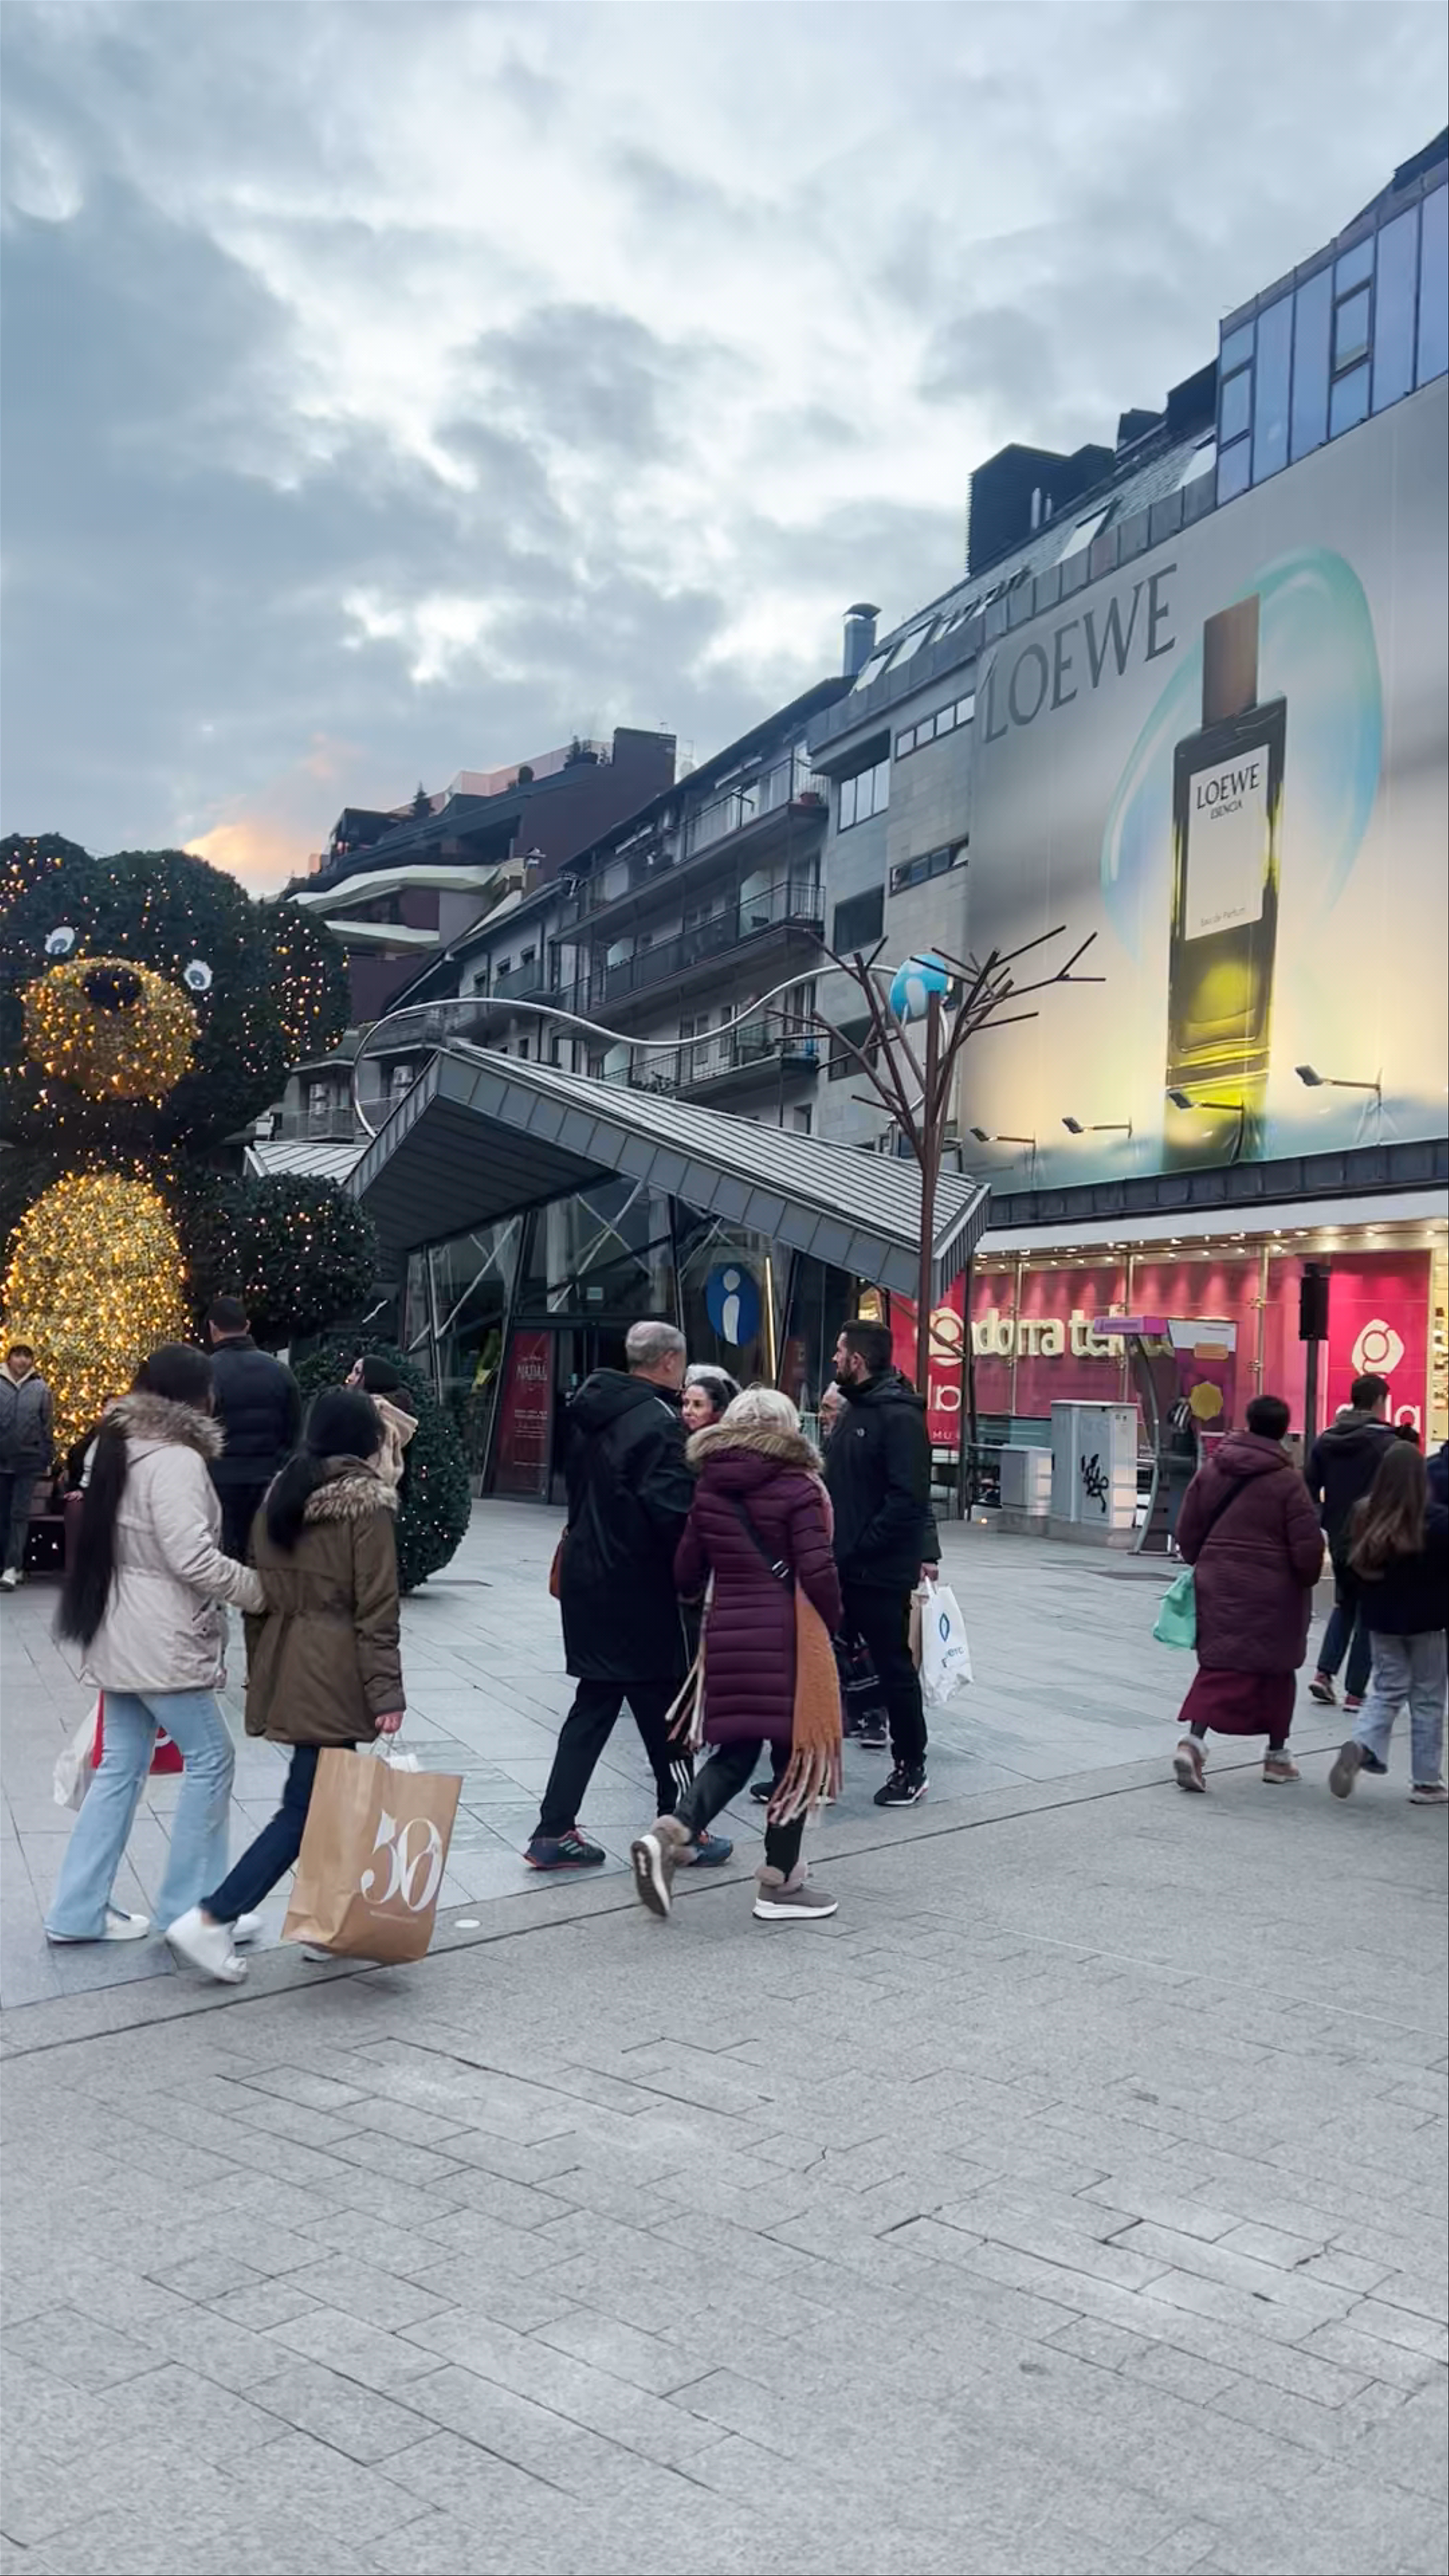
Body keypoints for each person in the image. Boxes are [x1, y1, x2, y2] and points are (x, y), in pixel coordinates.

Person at [168, 1387, 407, 1981]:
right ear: (368, 1442)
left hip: (290, 1658)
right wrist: (386, 1694)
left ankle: (328, 1923)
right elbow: (377, 1607)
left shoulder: (283, 1491)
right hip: (334, 1667)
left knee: (326, 1801)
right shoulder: (367, 1505)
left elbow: (264, 1589)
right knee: (304, 1809)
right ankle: (214, 1916)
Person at [43, 1344, 264, 1945]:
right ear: (196, 1398)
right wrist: (258, 1589)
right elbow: (191, 1557)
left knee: (119, 1766)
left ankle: (76, 1910)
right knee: (213, 1758)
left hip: (114, 1627)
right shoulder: (176, 1460)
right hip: (161, 1636)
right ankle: (192, 1911)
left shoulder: (111, 1445)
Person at [525, 1320, 731, 1872]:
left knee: (597, 1702)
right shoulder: (659, 1423)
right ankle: (686, 1824)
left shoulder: (591, 1409)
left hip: (589, 1576)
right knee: (668, 1703)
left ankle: (554, 1828)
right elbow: (672, 1513)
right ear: (668, 1362)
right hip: (640, 1585)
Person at [631, 1387, 843, 1923]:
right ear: (786, 1428)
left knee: (735, 1751)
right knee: (795, 1760)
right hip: (789, 1636)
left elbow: (685, 1571)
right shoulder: (799, 1486)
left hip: (726, 1633)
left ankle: (670, 1832)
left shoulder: (710, 1486)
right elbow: (817, 1569)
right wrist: (836, 1623)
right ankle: (780, 1884)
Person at [1171, 1392, 1324, 1792]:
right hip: (1274, 1591)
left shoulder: (1214, 1468)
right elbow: (1307, 1547)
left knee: (1220, 1663)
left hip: (1220, 1580)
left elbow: (1188, 1526)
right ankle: (1277, 1756)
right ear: (1283, 1431)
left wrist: (1200, 1560)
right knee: (1277, 1668)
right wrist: (1307, 1575)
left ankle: (1194, 1742)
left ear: (1249, 1422)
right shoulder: (1289, 1481)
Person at [824, 1319, 933, 1807]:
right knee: (821, 1663)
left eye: (839, 1351)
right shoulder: (854, 1411)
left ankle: (911, 1765)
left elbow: (908, 1499)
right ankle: (807, 1769)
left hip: (878, 1570)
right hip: (840, 1565)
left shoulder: (898, 1417)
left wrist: (860, 1546)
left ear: (858, 1360)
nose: (833, 1359)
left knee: (894, 1668)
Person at [1328, 1443, 1448, 1806]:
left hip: (1380, 1619)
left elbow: (1347, 1564)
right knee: (1427, 1697)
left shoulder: (1365, 1513)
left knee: (1386, 1688)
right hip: (1430, 1621)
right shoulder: (1439, 1521)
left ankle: (1363, 1744)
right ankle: (1426, 1781)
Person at [1306, 1373, 1399, 1713]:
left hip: (1340, 1537)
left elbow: (1308, 1487)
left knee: (1345, 1604)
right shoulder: (1388, 1445)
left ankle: (1324, 1672)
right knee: (1369, 1613)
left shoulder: (1327, 1440)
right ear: (1378, 1401)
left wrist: (1323, 1520)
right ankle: (1356, 1692)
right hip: (1376, 1537)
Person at [206, 1296, 302, 1559]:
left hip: (221, 1480)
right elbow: (294, 1429)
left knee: (226, 1556)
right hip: (268, 1479)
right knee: (263, 1555)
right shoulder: (280, 1372)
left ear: (213, 1327)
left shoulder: (207, 1372)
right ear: (247, 1325)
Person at [0, 1341, 54, 1590]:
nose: (22, 1361)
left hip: (28, 1460)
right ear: (9, 1358)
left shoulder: (41, 1388)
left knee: (19, 1514)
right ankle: (9, 1565)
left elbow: (46, 1426)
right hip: (2, 1459)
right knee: (3, 1514)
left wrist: (46, 1457)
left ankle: (12, 1567)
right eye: (18, 1355)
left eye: (27, 1356)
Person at [346, 1353, 418, 1491]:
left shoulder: (379, 1415)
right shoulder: (397, 1415)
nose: (349, 1378)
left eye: (357, 1373)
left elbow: (379, 1470)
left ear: (374, 1378)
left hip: (368, 1499)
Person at [681, 1366, 740, 1434]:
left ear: (719, 1412)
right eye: (686, 1404)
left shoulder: (731, 1442)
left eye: (698, 1405)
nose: (688, 1412)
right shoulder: (672, 1435)